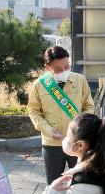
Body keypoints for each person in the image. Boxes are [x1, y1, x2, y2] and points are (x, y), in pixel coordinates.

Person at [28, 46, 95, 185]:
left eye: (67, 66)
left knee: (81, 184)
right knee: (53, 185)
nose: (64, 71)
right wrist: (48, 129)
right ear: (47, 67)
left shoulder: (80, 80)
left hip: (78, 142)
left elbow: (89, 106)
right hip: (52, 143)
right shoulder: (39, 85)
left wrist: (82, 127)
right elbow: (33, 111)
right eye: (58, 69)